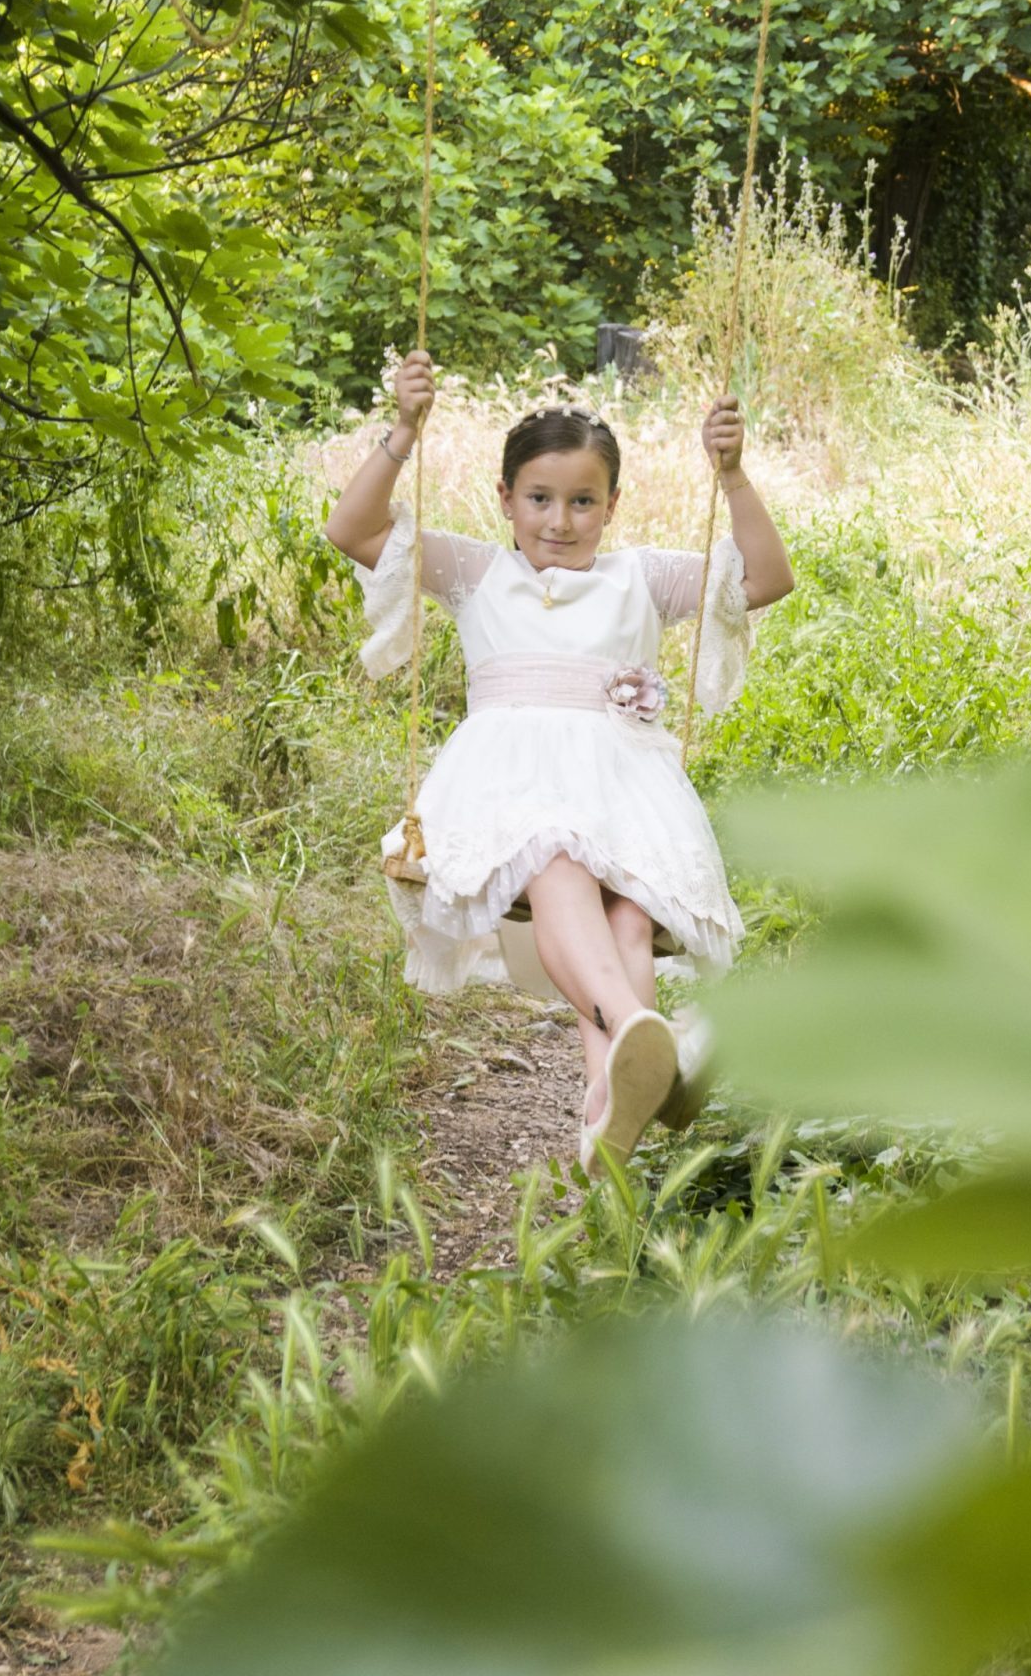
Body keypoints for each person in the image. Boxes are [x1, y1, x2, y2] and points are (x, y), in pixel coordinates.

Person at [326, 351, 794, 1176]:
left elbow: (766, 578)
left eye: (583, 502)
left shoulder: (639, 579)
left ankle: (611, 1111)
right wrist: (404, 431)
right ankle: (651, 1037)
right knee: (555, 851)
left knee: (627, 917)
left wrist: (734, 477)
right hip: (511, 787)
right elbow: (354, 531)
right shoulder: (478, 572)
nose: (560, 520)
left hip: (624, 785)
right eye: (539, 499)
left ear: (614, 506)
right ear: (505, 499)